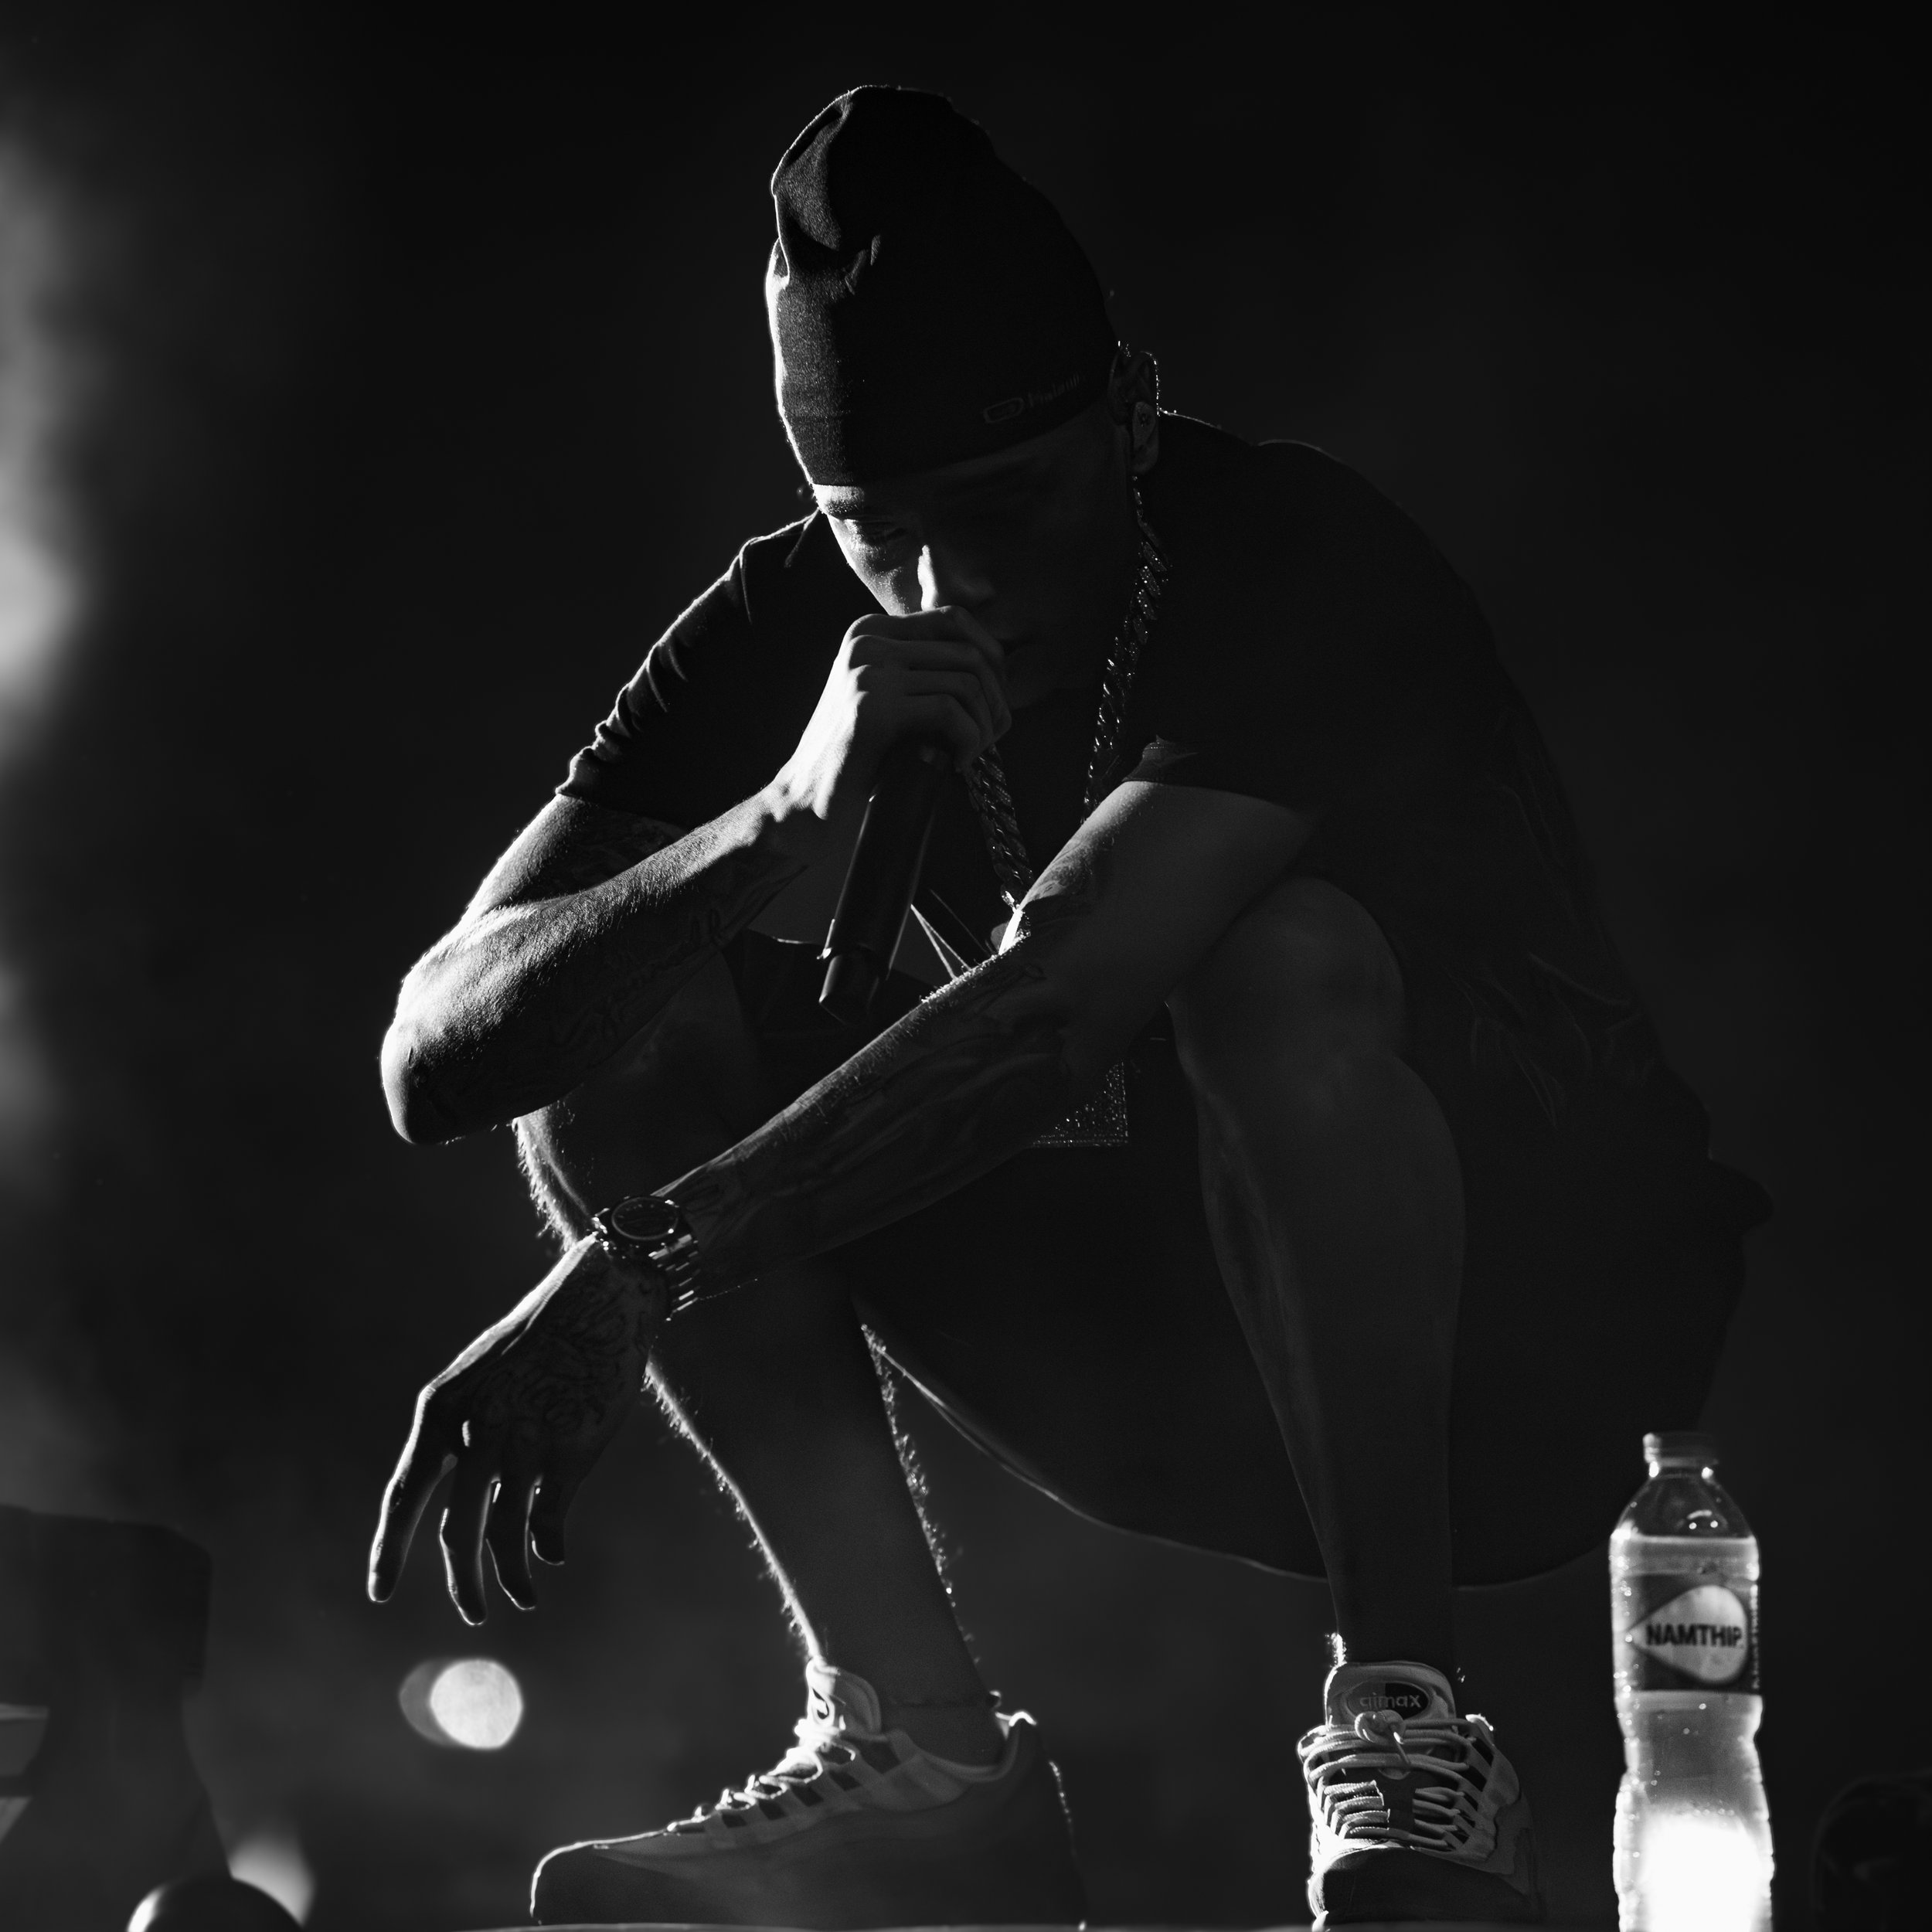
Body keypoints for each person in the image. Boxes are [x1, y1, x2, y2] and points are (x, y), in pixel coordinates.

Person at [366, 87, 1768, 1928]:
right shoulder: (792, 621)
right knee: (614, 1015)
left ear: (1124, 407)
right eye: (874, 526)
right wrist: (776, 814)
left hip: (1530, 1342)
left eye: (1004, 506)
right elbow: (433, 1051)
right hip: (1138, 1344)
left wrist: (632, 1269)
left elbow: (1057, 1002)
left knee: (1270, 955)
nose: (948, 586)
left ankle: (1409, 1740)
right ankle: (923, 1760)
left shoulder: (1287, 550)